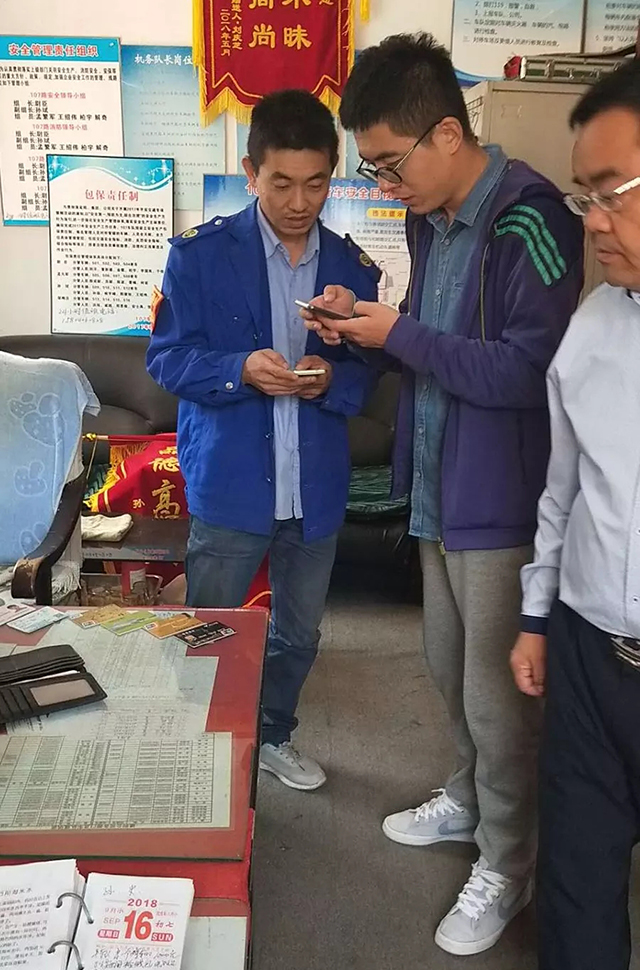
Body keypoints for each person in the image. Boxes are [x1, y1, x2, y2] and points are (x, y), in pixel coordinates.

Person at [304, 33, 584, 955]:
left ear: (449, 135)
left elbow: (526, 371)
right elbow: (433, 342)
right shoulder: (432, 222)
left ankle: (509, 860)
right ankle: (468, 799)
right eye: (375, 169)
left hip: (500, 500)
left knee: (502, 702)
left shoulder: (533, 220)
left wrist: (398, 334)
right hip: (436, 485)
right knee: (449, 668)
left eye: (391, 164)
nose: (387, 186)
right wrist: (364, 327)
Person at [147, 89, 379, 792]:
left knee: (298, 633)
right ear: (251, 173)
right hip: (232, 479)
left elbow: (369, 372)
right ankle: (205, 744)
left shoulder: (352, 270)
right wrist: (239, 370)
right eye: (282, 183)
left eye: (316, 183)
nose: (300, 201)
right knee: (210, 626)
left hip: (314, 486)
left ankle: (273, 733)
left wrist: (328, 378)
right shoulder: (200, 257)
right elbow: (167, 360)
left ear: (333, 173)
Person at [511, 60, 640, 970]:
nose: (591, 222)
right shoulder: (595, 323)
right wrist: (537, 616)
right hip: (592, 652)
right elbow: (564, 489)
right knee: (577, 885)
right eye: (582, 196)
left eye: (612, 193)